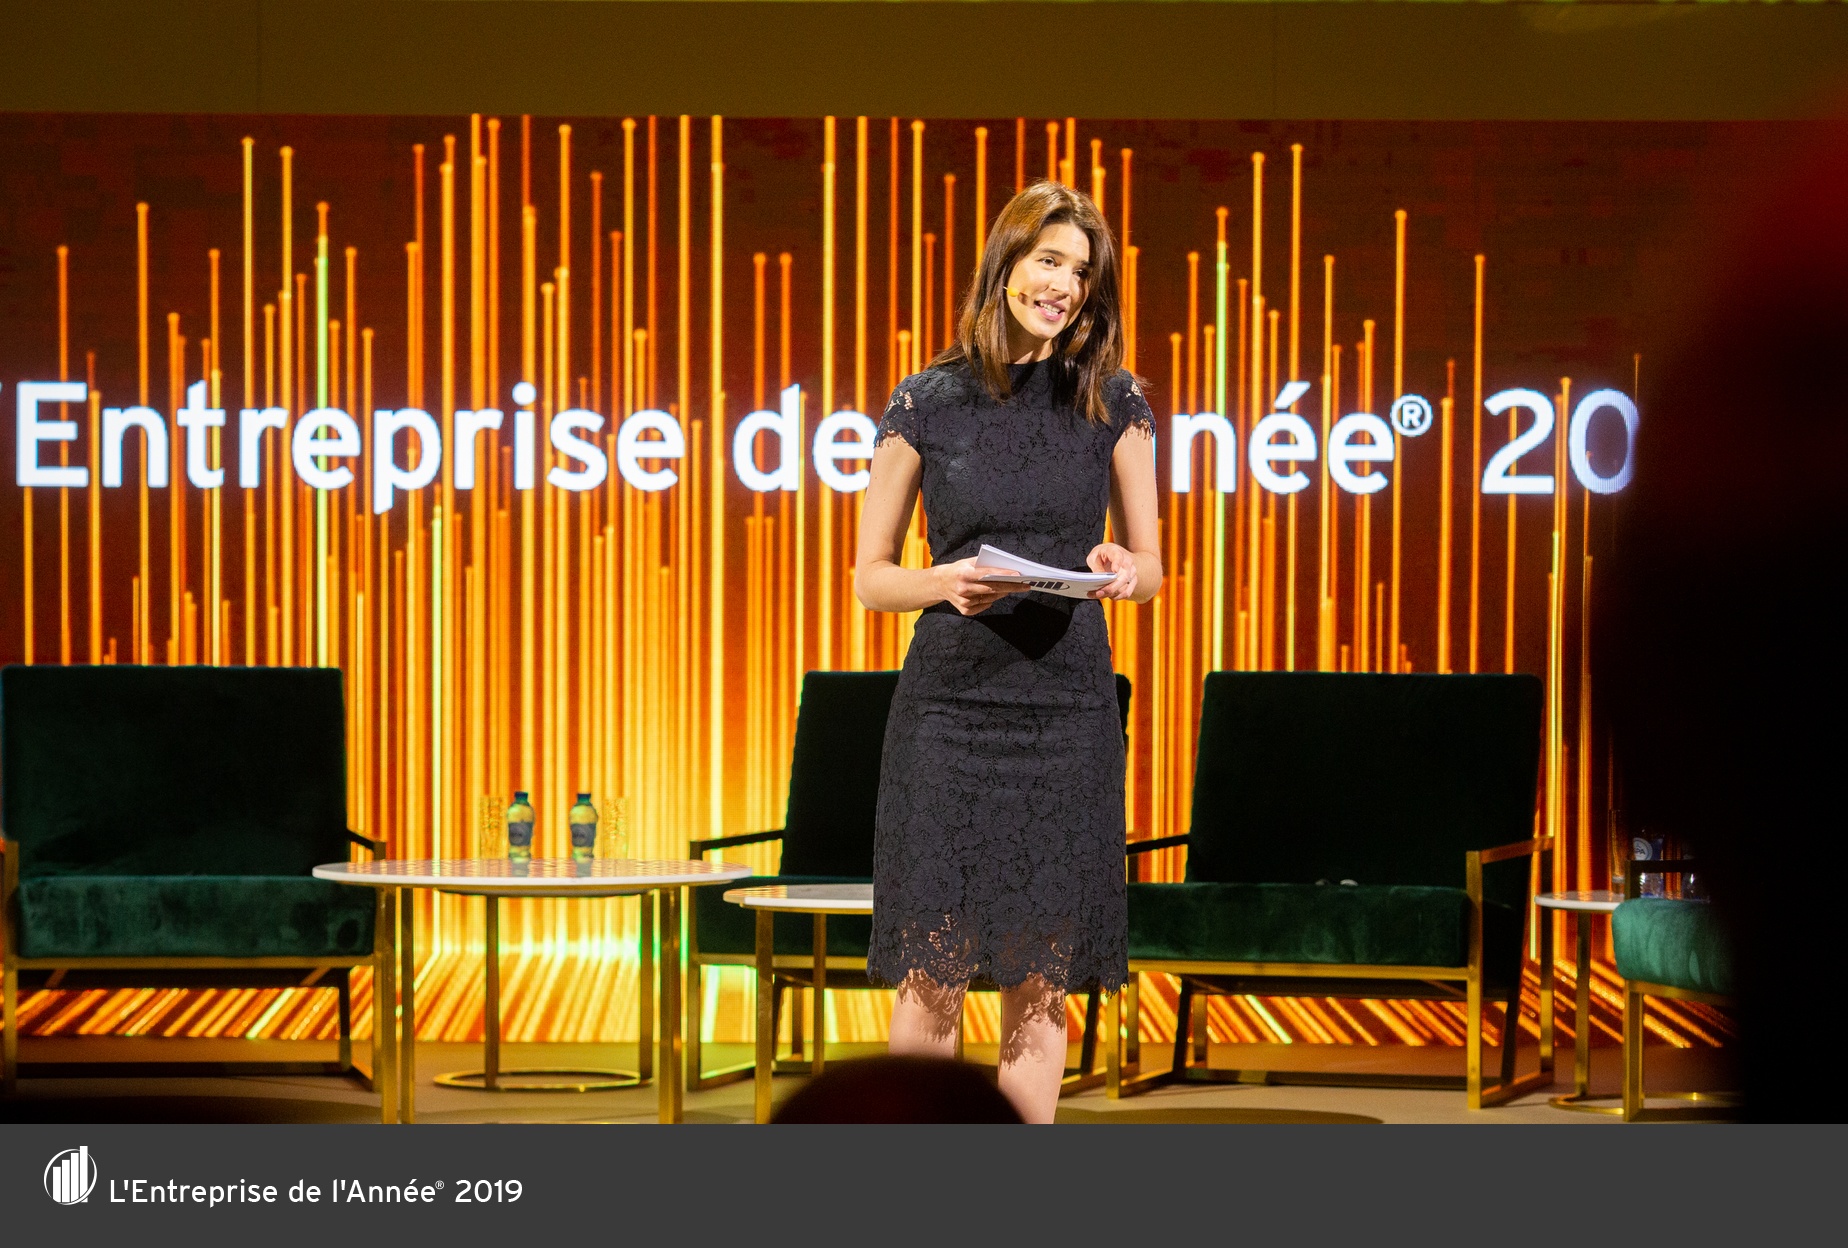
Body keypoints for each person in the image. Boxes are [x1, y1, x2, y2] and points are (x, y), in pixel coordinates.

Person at [854, 180, 1162, 1123]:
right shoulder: (927, 400)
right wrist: (945, 582)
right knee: (934, 965)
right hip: (949, 711)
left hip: (1068, 711)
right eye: (1048, 261)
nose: (1063, 286)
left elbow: (1152, 565)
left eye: (1081, 272)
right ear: (1006, 265)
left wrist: (1124, 567)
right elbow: (871, 577)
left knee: (1042, 970)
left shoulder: (1114, 401)